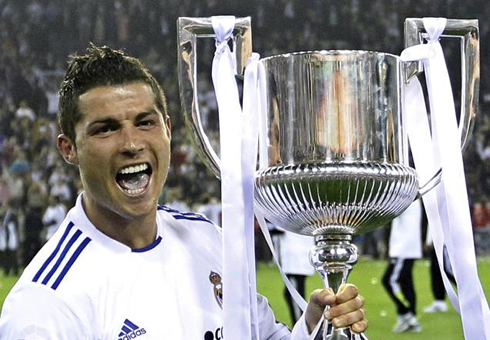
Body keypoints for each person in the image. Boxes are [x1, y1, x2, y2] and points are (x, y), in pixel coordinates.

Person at [0, 44, 367, 339]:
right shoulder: (47, 304)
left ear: (168, 130)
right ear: (68, 149)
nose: (132, 143)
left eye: (145, 123)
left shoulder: (206, 239)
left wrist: (314, 328)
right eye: (106, 129)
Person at [381, 199, 423, 333]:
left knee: (389, 281)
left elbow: (385, 211)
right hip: (407, 247)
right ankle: (409, 317)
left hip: (403, 248)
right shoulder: (410, 199)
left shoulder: (405, 199)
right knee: (406, 283)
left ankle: (407, 313)